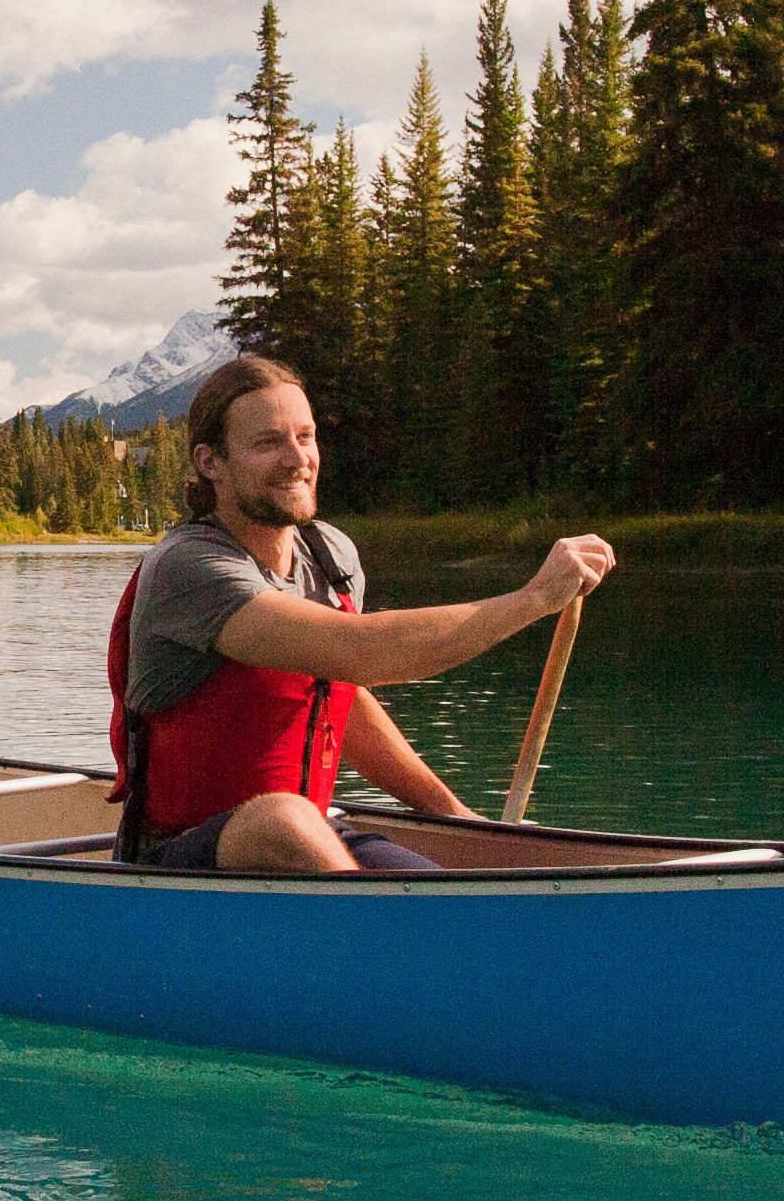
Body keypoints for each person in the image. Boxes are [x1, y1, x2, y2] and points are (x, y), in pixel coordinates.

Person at [109, 354, 613, 874]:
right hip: (178, 858)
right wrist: (531, 599)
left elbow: (344, 701)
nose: (296, 458)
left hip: (314, 833)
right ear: (210, 462)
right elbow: (361, 651)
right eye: (268, 442)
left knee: (403, 866)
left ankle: (403, 923)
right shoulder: (189, 567)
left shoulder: (331, 556)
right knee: (281, 820)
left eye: (305, 437)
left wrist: (451, 813)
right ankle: (378, 926)